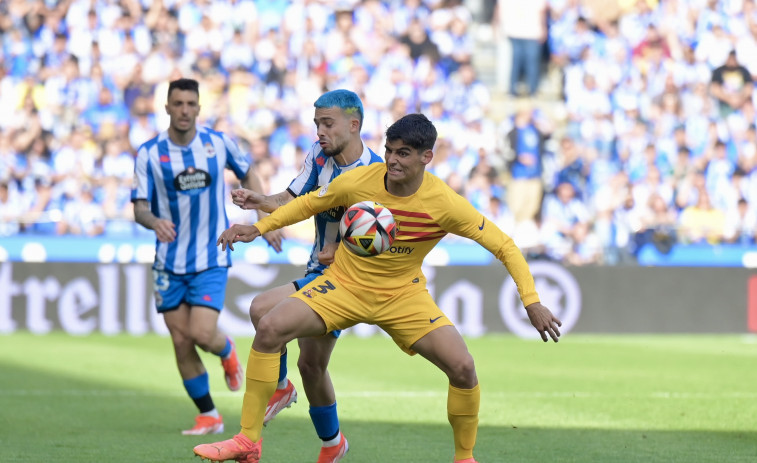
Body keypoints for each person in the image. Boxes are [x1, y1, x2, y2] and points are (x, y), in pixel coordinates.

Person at [194, 114, 562, 463]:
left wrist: (531, 302)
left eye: (403, 153)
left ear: (426, 157)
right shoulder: (361, 181)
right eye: (388, 150)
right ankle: (247, 440)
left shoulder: (445, 203)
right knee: (270, 325)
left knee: (463, 367)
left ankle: (464, 456)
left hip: (403, 297)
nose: (392, 160)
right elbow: (309, 203)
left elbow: (505, 246)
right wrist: (256, 228)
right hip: (344, 285)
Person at [227, 89, 383, 462]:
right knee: (311, 366)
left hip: (343, 281)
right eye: (317, 124)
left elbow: (376, 238)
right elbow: (294, 197)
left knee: (264, 312)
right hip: (317, 270)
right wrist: (260, 203)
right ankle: (332, 443)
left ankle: (280, 392)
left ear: (354, 124)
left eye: (327, 123)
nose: (320, 132)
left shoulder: (373, 175)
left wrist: (342, 251)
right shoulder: (318, 154)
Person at [130, 77, 283, 435]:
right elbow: (139, 208)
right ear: (167, 107)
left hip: (210, 254)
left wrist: (266, 215)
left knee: (200, 333)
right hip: (168, 260)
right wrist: (154, 221)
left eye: (190, 104)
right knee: (180, 339)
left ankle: (226, 349)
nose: (184, 110)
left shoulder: (217, 143)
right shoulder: (149, 153)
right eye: (177, 103)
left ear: (199, 108)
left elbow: (249, 172)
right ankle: (209, 415)